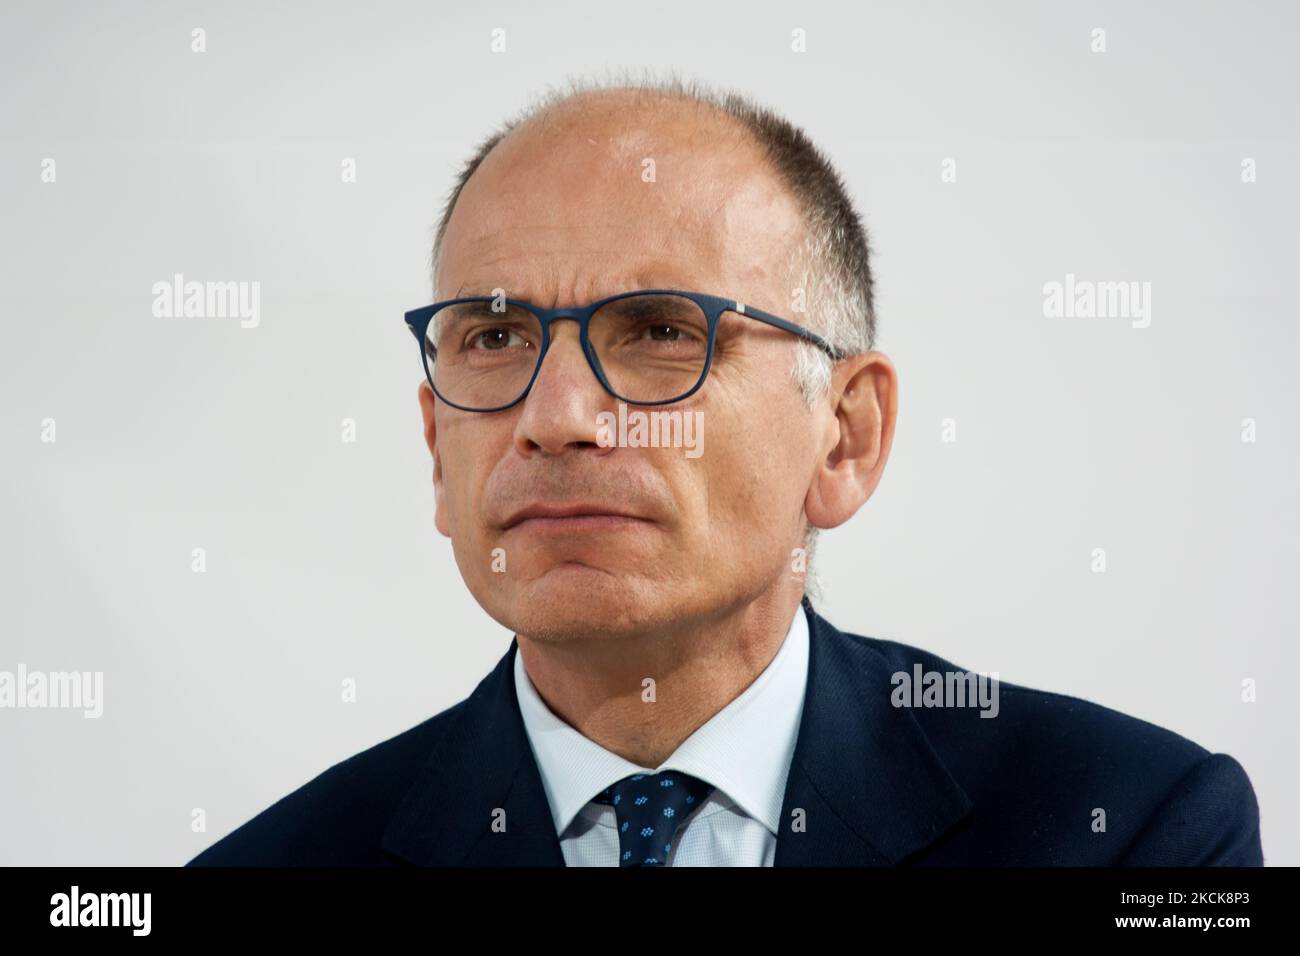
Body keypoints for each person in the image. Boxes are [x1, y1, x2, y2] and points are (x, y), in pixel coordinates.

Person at [188, 76, 1263, 867]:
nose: (555, 417)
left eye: (660, 328)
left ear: (844, 436)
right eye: (494, 338)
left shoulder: (1136, 831)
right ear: (436, 446)